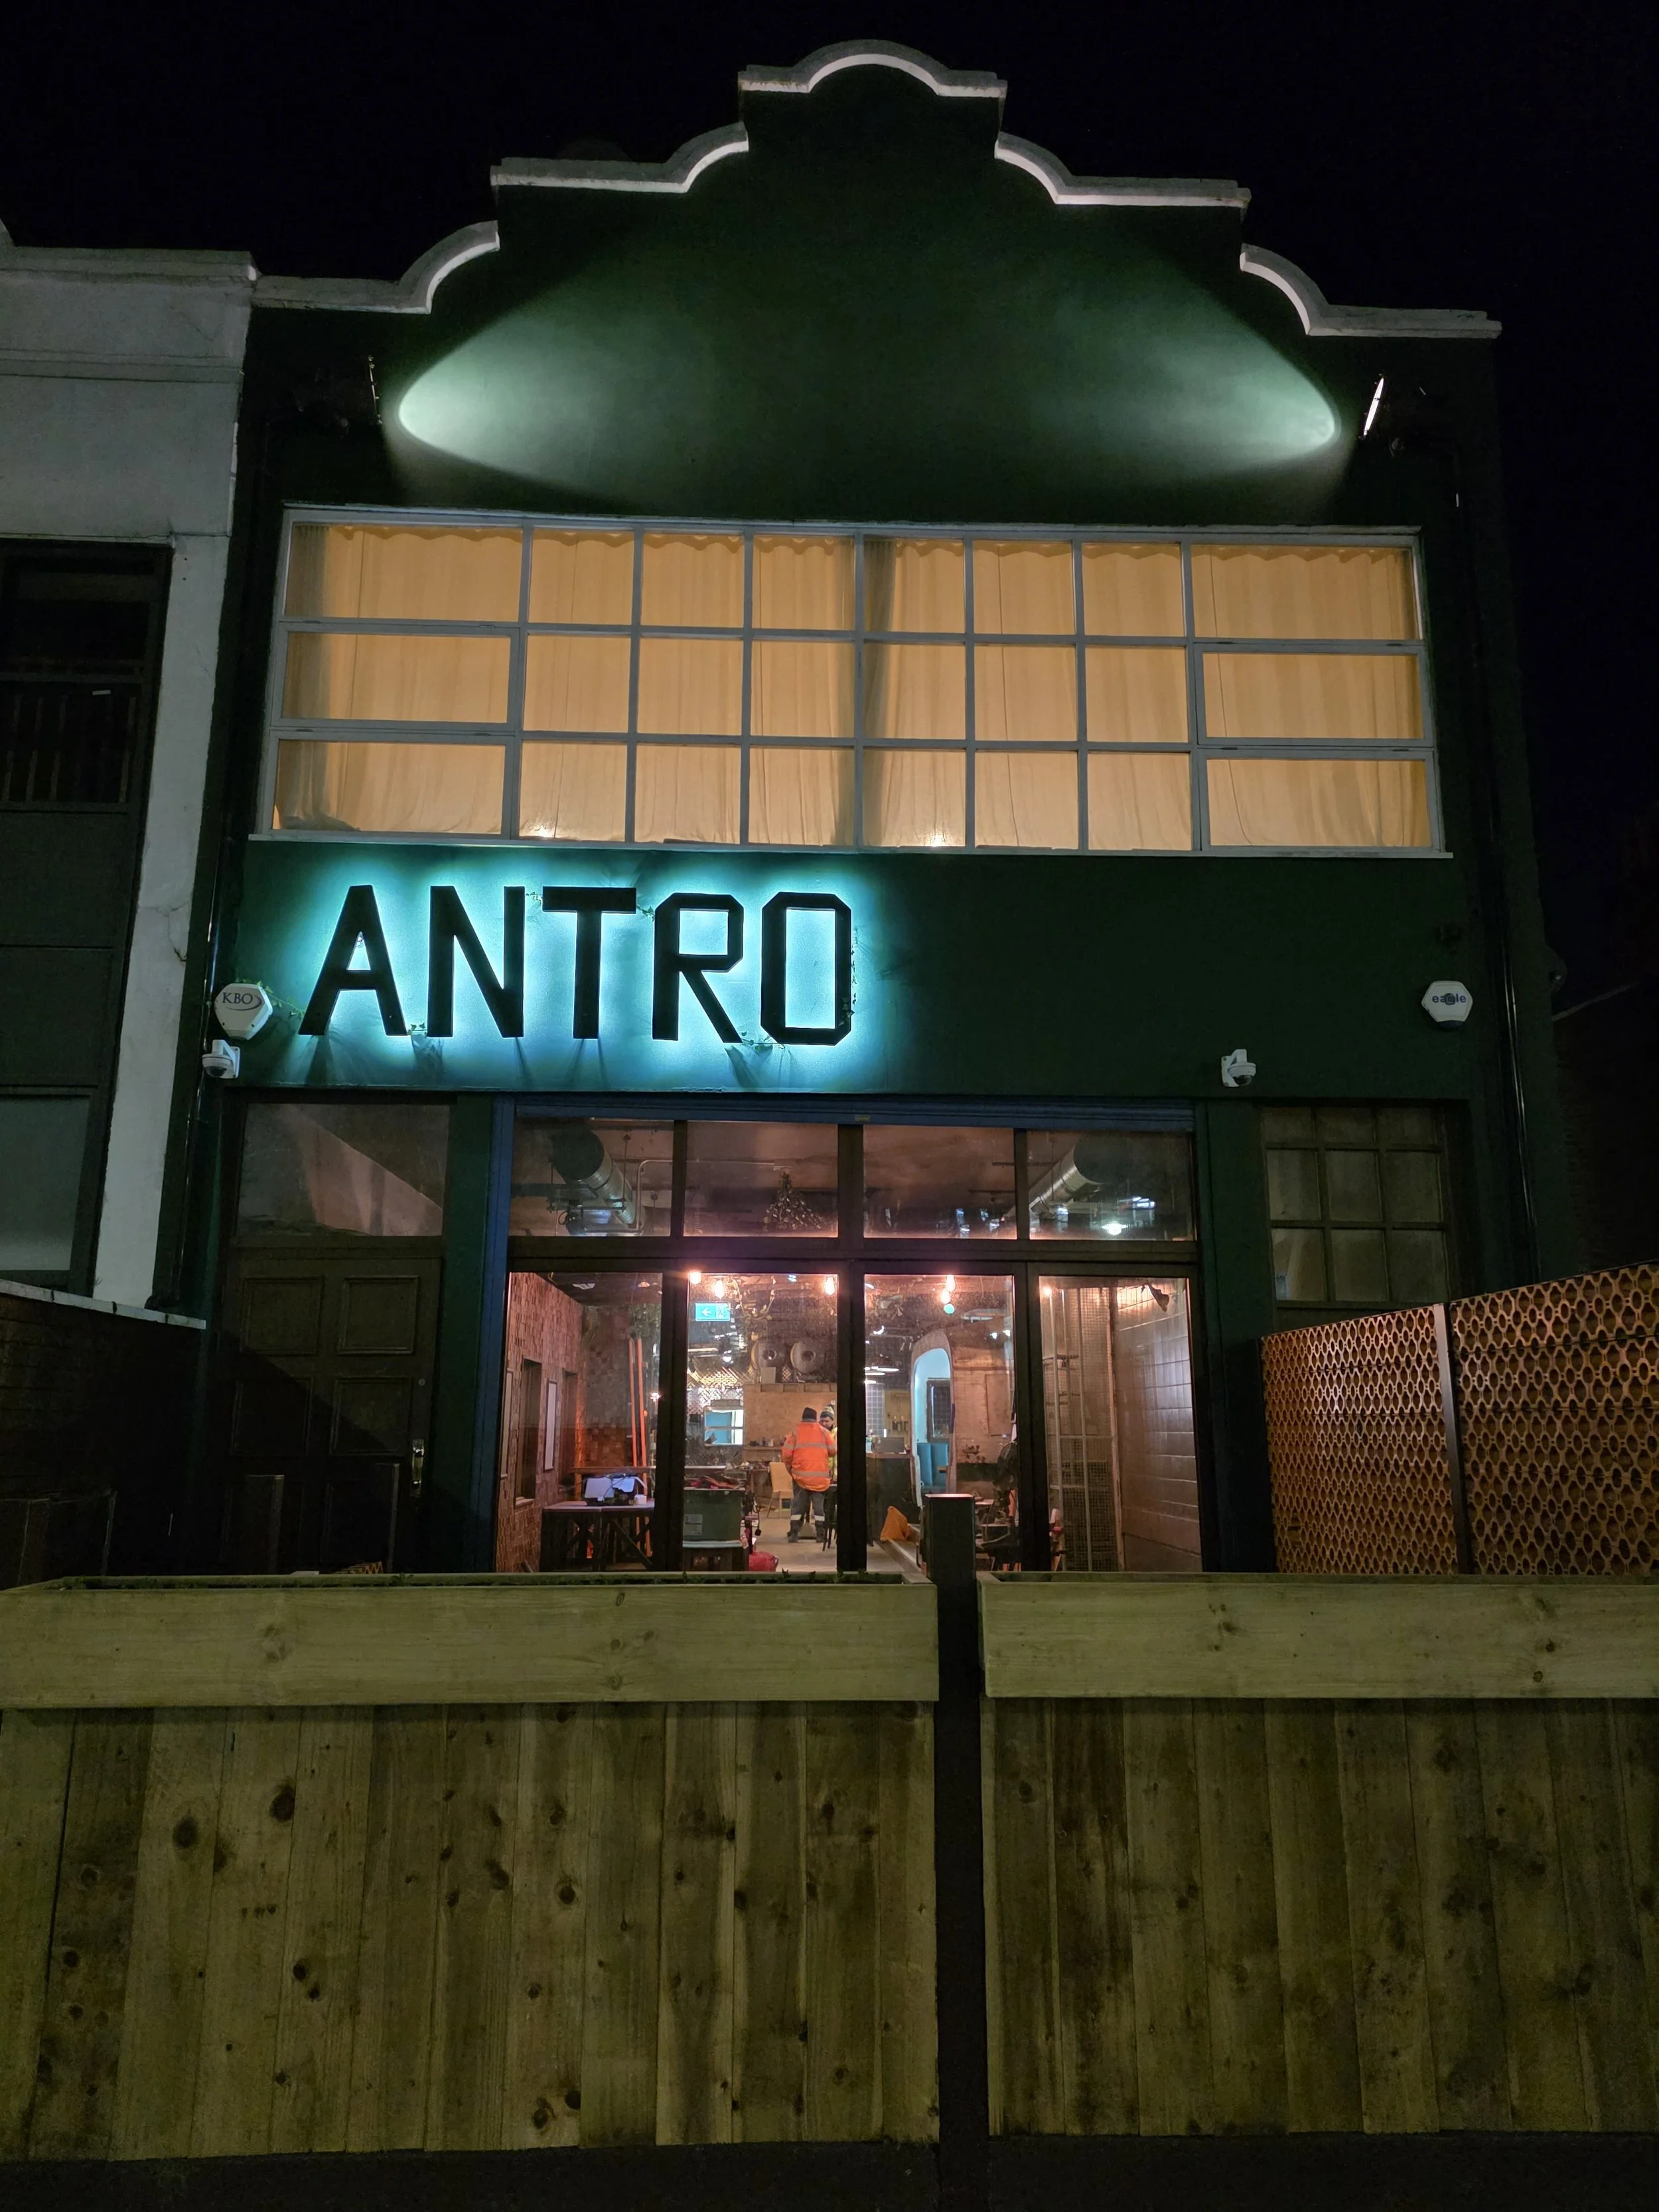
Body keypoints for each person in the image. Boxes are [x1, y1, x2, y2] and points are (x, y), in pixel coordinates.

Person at [780, 1405, 833, 1541]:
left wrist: (791, 1470)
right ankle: (820, 1534)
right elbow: (833, 1451)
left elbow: (786, 1455)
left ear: (803, 1418)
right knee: (819, 1508)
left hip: (801, 1478)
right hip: (820, 1478)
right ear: (816, 1418)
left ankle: (794, 1533)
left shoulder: (795, 1433)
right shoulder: (824, 1432)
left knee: (798, 1506)